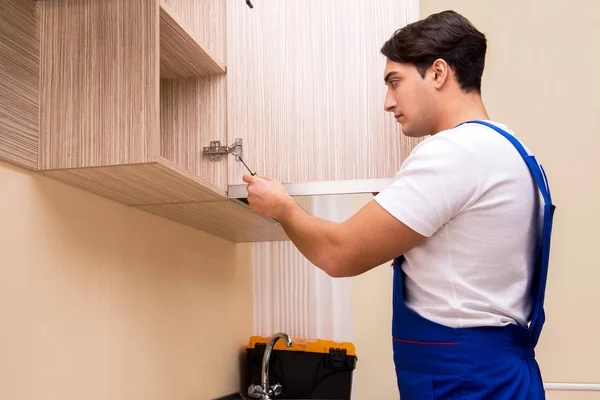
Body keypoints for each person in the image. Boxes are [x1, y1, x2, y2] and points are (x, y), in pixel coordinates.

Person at [242, 10, 555, 400]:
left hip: (464, 380)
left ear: (438, 73)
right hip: (498, 374)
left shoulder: (454, 152)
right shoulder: (511, 149)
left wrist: (283, 208)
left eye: (395, 82)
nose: (388, 102)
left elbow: (339, 254)